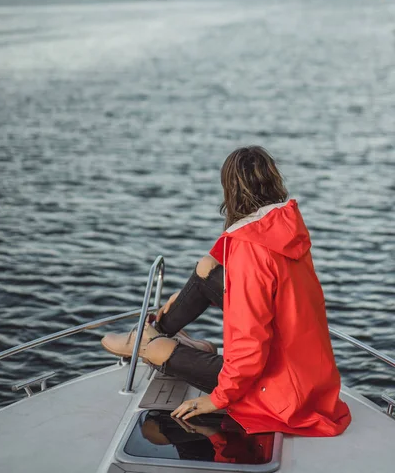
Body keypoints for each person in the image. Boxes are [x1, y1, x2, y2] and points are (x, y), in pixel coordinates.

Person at [101, 146, 351, 437]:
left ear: (231, 189)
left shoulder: (250, 250)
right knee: (207, 267)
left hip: (279, 390)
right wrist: (186, 295)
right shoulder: (285, 223)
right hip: (307, 373)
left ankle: (145, 342)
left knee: (152, 419)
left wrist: (216, 399)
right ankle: (160, 328)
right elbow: (230, 265)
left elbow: (251, 343)